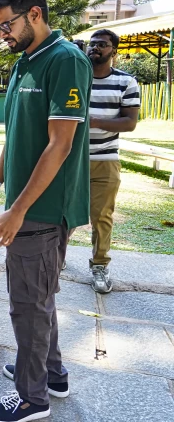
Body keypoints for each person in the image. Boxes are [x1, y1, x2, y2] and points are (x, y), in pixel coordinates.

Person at [0, 0, 91, 422]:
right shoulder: (26, 60)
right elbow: (16, 134)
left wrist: (17, 210)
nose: (1, 34)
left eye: (7, 25)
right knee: (39, 297)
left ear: (35, 15)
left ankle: (31, 397)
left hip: (43, 208)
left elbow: (59, 145)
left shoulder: (65, 61)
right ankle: (51, 374)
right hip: (25, 202)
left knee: (27, 303)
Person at [86, 29, 139, 294]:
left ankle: (99, 265)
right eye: (92, 44)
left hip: (105, 159)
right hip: (69, 158)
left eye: (102, 45)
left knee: (101, 216)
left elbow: (130, 122)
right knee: (64, 212)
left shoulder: (126, 82)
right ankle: (56, 257)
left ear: (113, 51)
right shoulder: (75, 77)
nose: (95, 48)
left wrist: (94, 122)